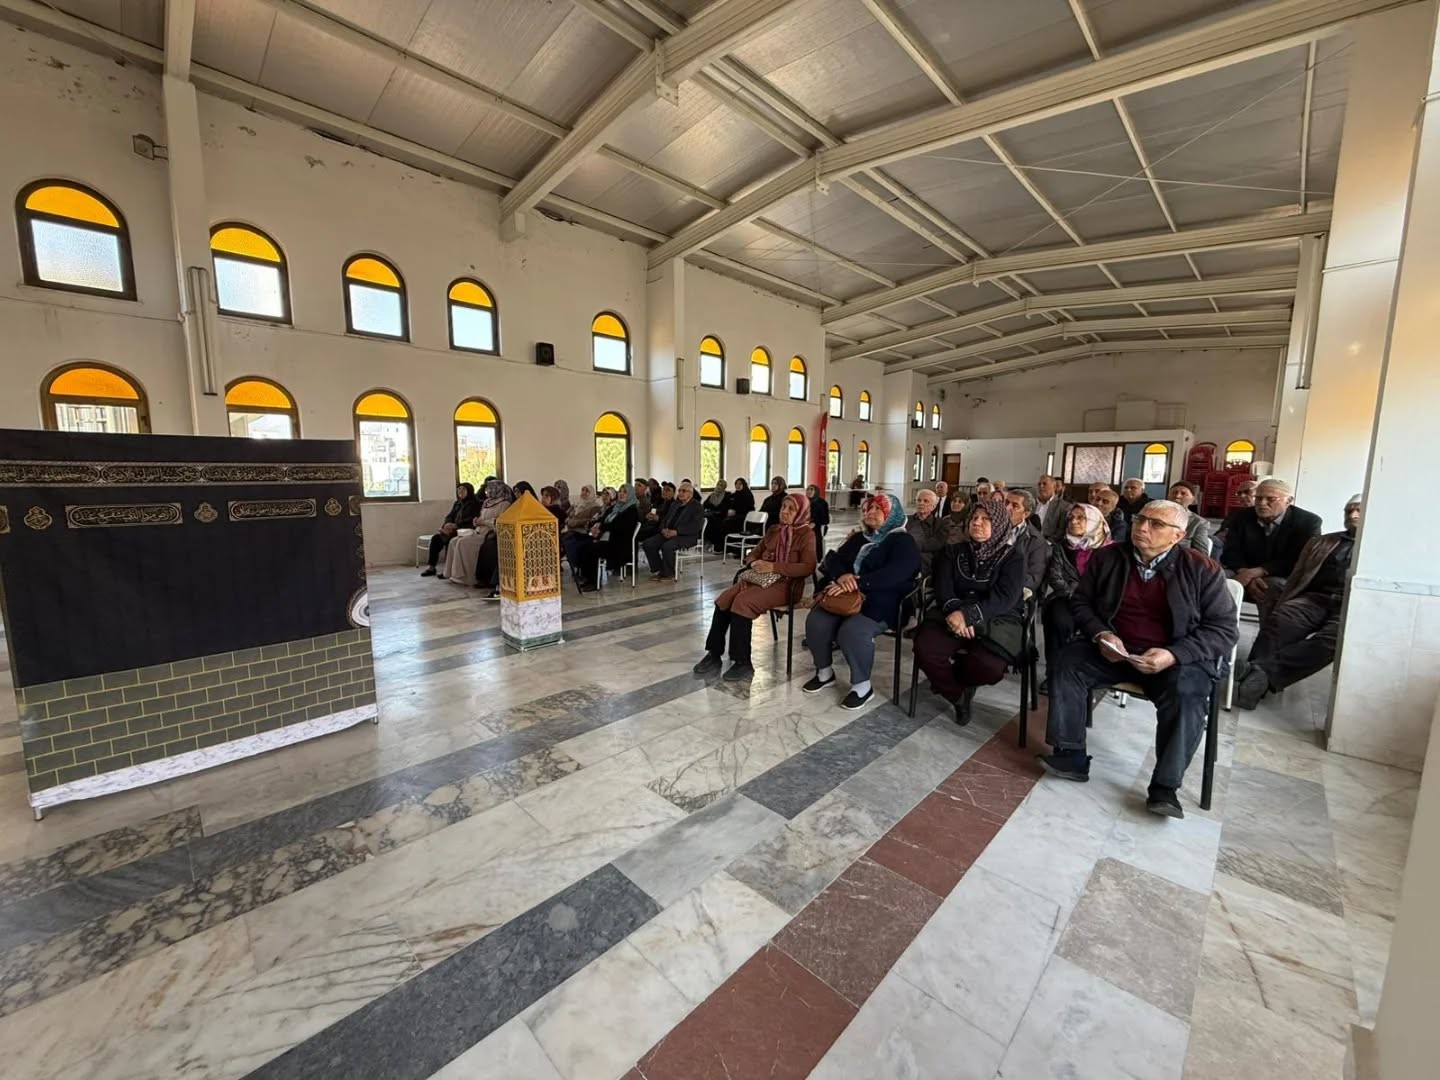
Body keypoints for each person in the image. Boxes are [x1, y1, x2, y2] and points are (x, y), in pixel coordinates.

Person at [1039, 499, 1238, 818]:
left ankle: (1165, 786)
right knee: (1067, 662)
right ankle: (1070, 754)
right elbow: (1081, 604)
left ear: (1178, 535)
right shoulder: (1108, 558)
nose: (1142, 528)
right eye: (1139, 520)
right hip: (1115, 649)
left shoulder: (1201, 569)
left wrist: (1174, 654)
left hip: (1175, 658)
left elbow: (1224, 630)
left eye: (1156, 524)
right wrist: (1101, 634)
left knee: (1186, 695)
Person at [1235, 495, 1362, 710]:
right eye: (1348, 511)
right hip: (1315, 598)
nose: (1352, 515)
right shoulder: (1323, 542)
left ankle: (1259, 672)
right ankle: (1253, 682)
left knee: (1333, 639)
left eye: (1358, 510)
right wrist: (1286, 599)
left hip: (1351, 605)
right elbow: (1297, 575)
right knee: (1282, 620)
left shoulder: (1380, 551)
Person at [913, 496, 1025, 726]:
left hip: (995, 619)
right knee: (925, 648)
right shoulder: (953, 552)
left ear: (1001, 524)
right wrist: (957, 615)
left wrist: (969, 616)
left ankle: (956, 681)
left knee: (990, 667)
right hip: (952, 613)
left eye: (986, 519)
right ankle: (957, 695)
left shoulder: (1013, 557)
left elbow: (1005, 597)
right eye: (974, 518)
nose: (977, 523)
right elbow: (944, 587)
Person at [803, 494, 920, 710]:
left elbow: (897, 574)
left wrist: (858, 582)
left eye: (878, 508)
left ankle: (862, 686)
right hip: (847, 596)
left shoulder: (903, 541)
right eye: (869, 508)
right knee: (816, 620)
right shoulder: (860, 538)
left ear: (891, 514)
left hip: (884, 601)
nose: (870, 512)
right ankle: (824, 672)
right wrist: (841, 577)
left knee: (853, 631)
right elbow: (834, 560)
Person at [694, 492, 818, 681]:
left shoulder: (806, 534)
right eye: (783, 507)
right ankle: (714, 653)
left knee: (743, 603)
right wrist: (753, 563)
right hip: (759, 579)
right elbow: (755, 552)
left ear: (801, 512)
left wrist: (774, 566)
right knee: (724, 600)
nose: (784, 512)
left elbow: (808, 567)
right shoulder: (774, 530)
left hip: (786, 585)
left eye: (791, 509)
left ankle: (742, 662)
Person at [1040, 503, 1113, 690]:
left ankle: (1089, 672)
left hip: (1098, 601)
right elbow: (1056, 577)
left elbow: (1109, 582)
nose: (1074, 522)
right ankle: (1055, 672)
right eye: (1071, 518)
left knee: (1099, 623)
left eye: (1081, 518)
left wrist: (1088, 598)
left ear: (1094, 521)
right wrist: (1076, 595)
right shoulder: (1062, 547)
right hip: (1066, 597)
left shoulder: (1110, 551)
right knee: (1059, 619)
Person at [1219, 478, 1322, 608]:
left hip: (1281, 574)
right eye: (1258, 498)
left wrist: (1255, 573)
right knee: (1218, 578)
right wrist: (1246, 573)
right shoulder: (1241, 517)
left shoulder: (1308, 522)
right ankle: (1220, 623)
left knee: (1271, 586)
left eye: (1270, 499)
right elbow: (1230, 552)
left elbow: (1300, 559)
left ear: (1288, 501)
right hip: (1242, 569)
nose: (1262, 503)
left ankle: (1269, 628)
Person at [445, 479, 514, 592]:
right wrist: (476, 521)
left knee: (463, 543)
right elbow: (482, 516)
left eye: (491, 488)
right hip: (479, 530)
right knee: (454, 541)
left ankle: (468, 577)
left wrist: (484, 522)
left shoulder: (505, 504)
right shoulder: (487, 502)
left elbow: (500, 522)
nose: (488, 491)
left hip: (489, 533)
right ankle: (454, 574)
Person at [576, 484, 639, 591]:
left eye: (624, 492)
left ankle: (594, 582)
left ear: (630, 495)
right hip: (611, 541)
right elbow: (604, 519)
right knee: (584, 546)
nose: (621, 494)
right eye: (620, 491)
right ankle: (587, 578)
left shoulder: (631, 511)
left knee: (592, 549)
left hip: (621, 546)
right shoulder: (617, 507)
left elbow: (618, 527)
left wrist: (602, 528)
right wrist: (597, 526)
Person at [642, 480, 703, 581]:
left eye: (684, 491)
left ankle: (668, 574)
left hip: (686, 536)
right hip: (668, 532)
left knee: (667, 547)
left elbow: (695, 526)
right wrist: (663, 529)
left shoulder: (696, 507)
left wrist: (677, 532)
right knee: (648, 544)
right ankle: (659, 570)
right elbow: (665, 519)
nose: (680, 493)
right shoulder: (676, 504)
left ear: (691, 494)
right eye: (679, 490)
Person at [421, 483, 481, 577]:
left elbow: (472, 520)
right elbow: (450, 516)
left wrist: (456, 525)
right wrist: (446, 525)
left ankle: (449, 571)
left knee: (451, 541)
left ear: (469, 491)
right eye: (458, 489)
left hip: (465, 531)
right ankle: (431, 567)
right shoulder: (457, 503)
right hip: (452, 530)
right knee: (436, 539)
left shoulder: (476, 504)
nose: (460, 491)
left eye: (463, 489)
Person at [1003, 489, 1048, 593]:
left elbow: (1032, 578)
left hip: (1013, 591)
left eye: (1015, 506)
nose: (1007, 508)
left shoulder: (1036, 541)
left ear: (1026, 514)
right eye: (1006, 503)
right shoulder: (990, 529)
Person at [905, 488, 948, 575]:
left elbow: (936, 543)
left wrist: (911, 545)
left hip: (926, 561)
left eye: (926, 501)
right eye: (919, 500)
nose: (921, 503)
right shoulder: (905, 520)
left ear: (933, 506)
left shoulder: (940, 524)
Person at [1166, 480, 1214, 555]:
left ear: (1192, 500)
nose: (1177, 496)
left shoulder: (1198, 522)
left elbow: (1201, 554)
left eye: (1183, 493)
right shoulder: (1153, 514)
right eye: (1174, 492)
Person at [562, 485, 604, 569]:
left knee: (570, 543)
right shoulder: (578, 504)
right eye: (583, 490)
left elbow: (590, 520)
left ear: (592, 493)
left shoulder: (595, 506)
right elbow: (567, 518)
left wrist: (574, 522)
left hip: (583, 532)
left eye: (587, 491)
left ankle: (576, 567)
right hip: (572, 530)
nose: (584, 493)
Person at [715, 477, 756, 553]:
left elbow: (748, 509)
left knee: (726, 524)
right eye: (736, 484)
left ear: (744, 485)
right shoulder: (735, 495)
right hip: (735, 517)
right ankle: (723, 547)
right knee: (719, 522)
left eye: (740, 484)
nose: (738, 485)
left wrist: (735, 512)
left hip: (744, 517)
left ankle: (727, 548)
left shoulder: (747, 494)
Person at [1035, 474, 1072, 542]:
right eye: (1039, 484)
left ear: (1054, 487)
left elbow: (1061, 531)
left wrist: (1046, 543)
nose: (1041, 486)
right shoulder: (1033, 504)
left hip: (1049, 544)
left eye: (1044, 484)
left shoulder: (1064, 506)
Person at [701, 481, 731, 552]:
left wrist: (713, 508)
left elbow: (724, 508)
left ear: (724, 487)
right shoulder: (712, 495)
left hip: (721, 515)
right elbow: (705, 504)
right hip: (712, 513)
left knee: (713, 521)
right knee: (704, 518)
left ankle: (712, 543)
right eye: (718, 484)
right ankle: (706, 541)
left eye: (721, 485)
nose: (719, 486)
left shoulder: (726, 495)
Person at [806, 483, 830, 558]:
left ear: (816, 491)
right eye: (808, 489)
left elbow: (826, 519)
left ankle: (816, 558)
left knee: (813, 535)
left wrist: (815, 523)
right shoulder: (804, 501)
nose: (809, 491)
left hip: (818, 526)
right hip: (805, 524)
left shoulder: (822, 503)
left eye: (811, 489)